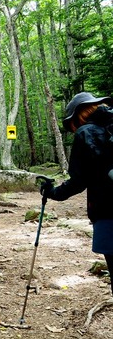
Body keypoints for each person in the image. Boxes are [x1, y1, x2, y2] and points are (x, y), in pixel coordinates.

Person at [41, 92, 113, 295]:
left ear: (78, 116)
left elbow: (79, 181)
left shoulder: (86, 133)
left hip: (108, 213)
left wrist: (53, 192)